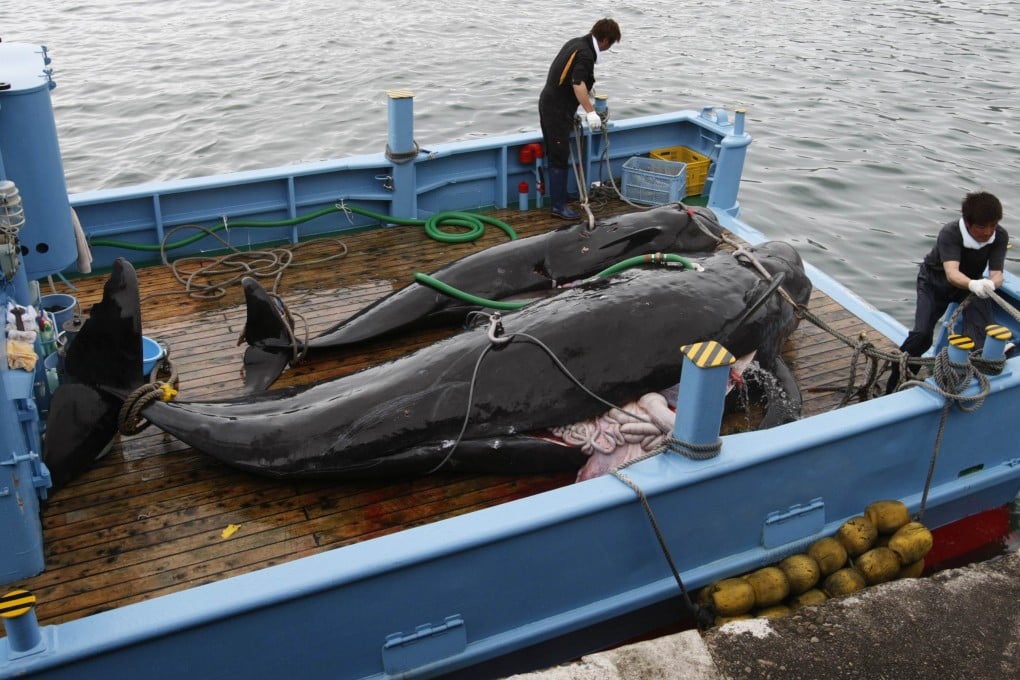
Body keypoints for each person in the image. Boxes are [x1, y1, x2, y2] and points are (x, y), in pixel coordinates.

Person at [887, 191, 1008, 392]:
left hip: (971, 286)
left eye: (992, 225)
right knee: (922, 335)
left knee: (980, 335)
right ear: (967, 223)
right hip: (935, 283)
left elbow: (997, 274)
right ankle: (899, 377)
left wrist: (990, 285)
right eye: (981, 227)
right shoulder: (950, 233)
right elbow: (952, 273)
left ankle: (964, 384)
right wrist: (974, 285)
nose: (988, 232)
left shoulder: (999, 236)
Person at [538, 18, 621, 220]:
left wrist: (588, 92)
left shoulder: (576, 42)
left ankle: (562, 195)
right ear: (604, 40)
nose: (607, 49)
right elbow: (577, 83)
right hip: (555, 110)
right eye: (610, 44)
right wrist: (590, 111)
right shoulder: (585, 54)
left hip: (556, 105)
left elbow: (567, 77)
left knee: (561, 152)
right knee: (558, 155)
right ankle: (558, 206)